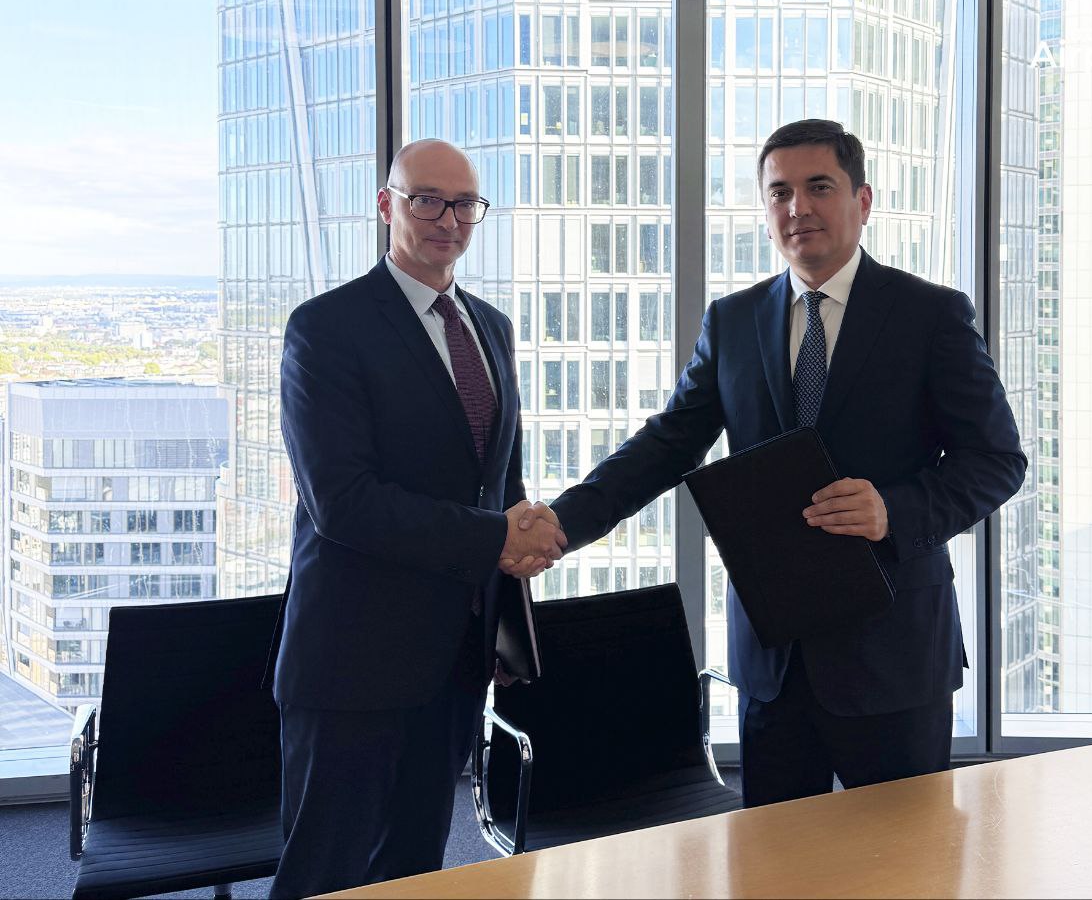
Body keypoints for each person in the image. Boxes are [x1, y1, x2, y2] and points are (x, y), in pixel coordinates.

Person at [518, 119, 1026, 808]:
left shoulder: (930, 315)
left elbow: (997, 460)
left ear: (863, 200)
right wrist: (561, 523)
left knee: (909, 857)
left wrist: (893, 509)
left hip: (895, 653)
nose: (798, 207)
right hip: (773, 660)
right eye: (780, 192)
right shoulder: (733, 321)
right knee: (772, 858)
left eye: (819, 187)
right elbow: (668, 444)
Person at [268, 139, 563, 898]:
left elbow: (499, 486)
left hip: (456, 659)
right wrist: (498, 537)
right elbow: (343, 502)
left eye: (464, 204)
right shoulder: (326, 328)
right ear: (387, 205)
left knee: (414, 873)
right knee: (324, 876)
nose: (447, 219)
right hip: (353, 664)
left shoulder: (491, 327)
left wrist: (508, 609)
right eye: (426, 199)